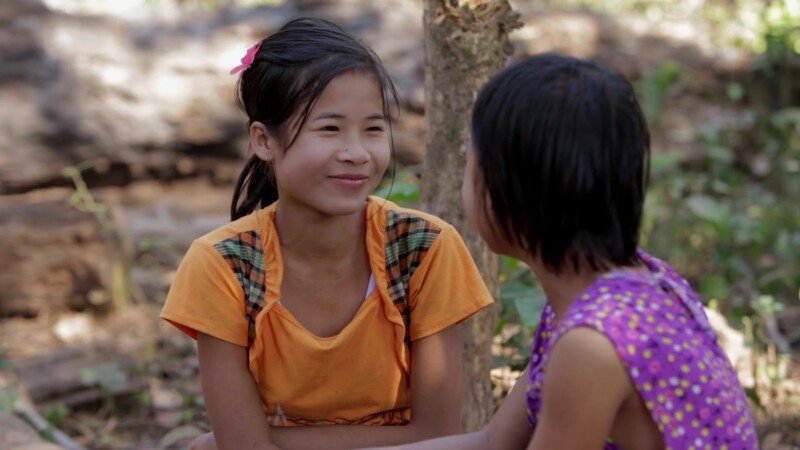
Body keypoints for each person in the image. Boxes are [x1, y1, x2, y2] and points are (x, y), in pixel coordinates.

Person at [359, 54, 759, 450]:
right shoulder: (633, 286)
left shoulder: (591, 344)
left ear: (506, 192)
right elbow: (494, 441)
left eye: (471, 164)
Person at [160, 17, 494, 450]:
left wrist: (260, 439)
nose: (356, 153)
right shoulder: (225, 263)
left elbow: (436, 436)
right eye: (330, 128)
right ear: (263, 141)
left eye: (373, 129)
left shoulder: (422, 249)